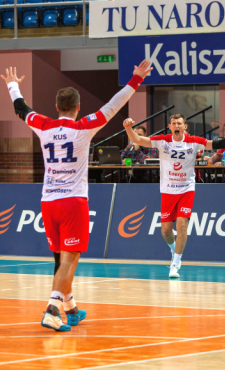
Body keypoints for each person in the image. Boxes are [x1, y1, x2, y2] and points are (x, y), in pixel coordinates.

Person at [1, 60, 152, 331]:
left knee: (61, 259)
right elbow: (114, 105)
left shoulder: (43, 125)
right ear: (78, 107)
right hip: (73, 201)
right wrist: (136, 80)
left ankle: (70, 308)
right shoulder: (84, 127)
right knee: (70, 259)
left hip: (48, 201)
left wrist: (13, 86)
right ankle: (51, 310)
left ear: (57, 106)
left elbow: (21, 109)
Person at [124, 115, 225, 279]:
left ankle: (175, 263)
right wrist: (128, 128)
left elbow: (220, 144)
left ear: (185, 126)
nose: (176, 126)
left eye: (179, 123)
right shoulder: (162, 140)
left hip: (186, 189)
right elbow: (137, 139)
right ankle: (174, 249)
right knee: (166, 231)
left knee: (181, 226)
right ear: (170, 126)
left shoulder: (194, 141)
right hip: (168, 190)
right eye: (173, 124)